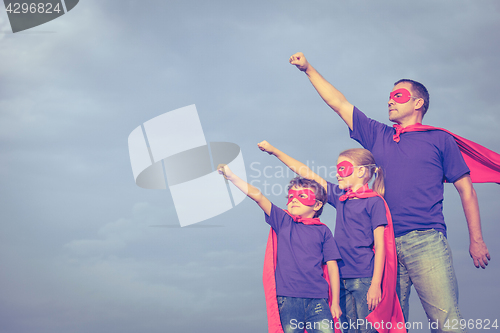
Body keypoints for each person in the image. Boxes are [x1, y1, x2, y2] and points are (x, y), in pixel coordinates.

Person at [289, 52, 492, 333]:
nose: (389, 101)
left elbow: (466, 190)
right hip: (383, 248)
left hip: (426, 241)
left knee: (447, 323)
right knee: (387, 325)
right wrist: (308, 69)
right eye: (389, 96)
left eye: (398, 96)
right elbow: (339, 103)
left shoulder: (440, 139)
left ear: (418, 103)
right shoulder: (378, 135)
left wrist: (477, 240)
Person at [258, 141, 404, 333]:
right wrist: (275, 152)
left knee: (370, 330)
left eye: (343, 169)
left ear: (361, 172)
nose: (337, 174)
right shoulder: (339, 196)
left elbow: (381, 245)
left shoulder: (374, 202)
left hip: (365, 278)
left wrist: (376, 283)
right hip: (342, 279)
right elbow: (306, 172)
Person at [217, 163, 342, 333]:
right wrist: (232, 177)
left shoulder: (324, 231)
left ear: (318, 205)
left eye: (302, 195)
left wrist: (335, 302)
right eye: (291, 196)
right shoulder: (283, 221)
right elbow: (258, 196)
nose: (295, 199)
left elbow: (332, 267)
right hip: (288, 299)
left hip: (318, 299)